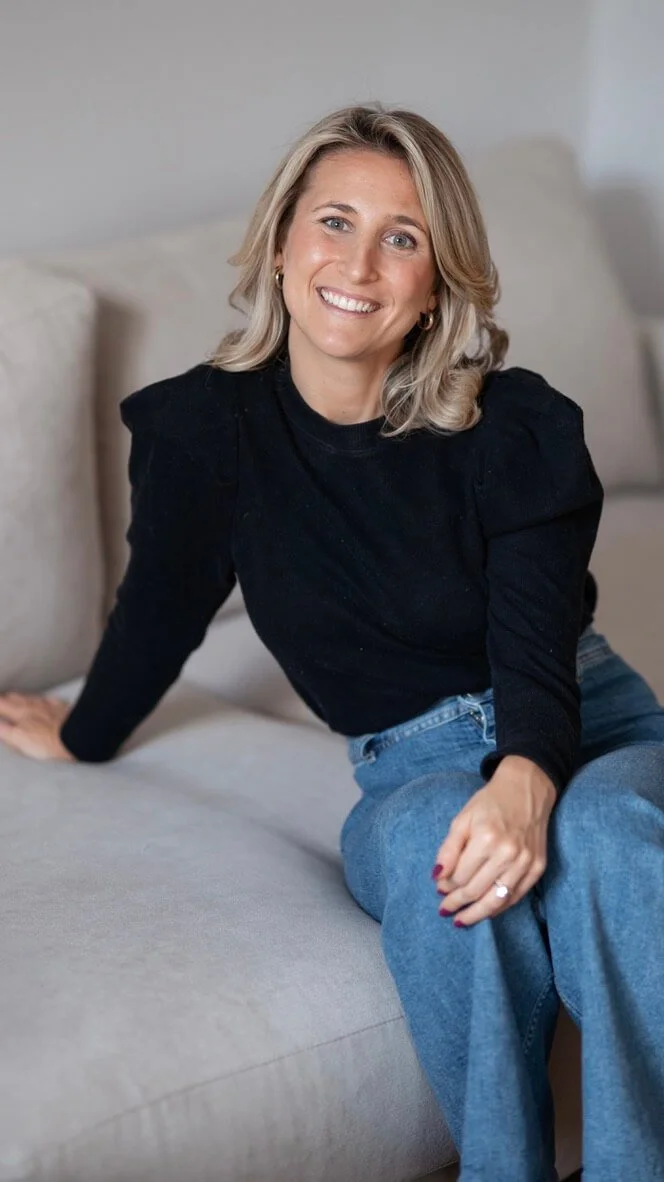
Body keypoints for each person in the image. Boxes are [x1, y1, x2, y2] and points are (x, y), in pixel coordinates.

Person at [1, 102, 663, 1182]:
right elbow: (164, 602)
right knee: (429, 840)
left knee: (613, 841)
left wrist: (532, 775)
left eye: (402, 236)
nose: (359, 262)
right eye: (334, 221)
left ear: (437, 278)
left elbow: (537, 627)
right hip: (414, 762)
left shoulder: (513, 426)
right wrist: (84, 733)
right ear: (280, 241)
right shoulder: (205, 434)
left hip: (586, 719)